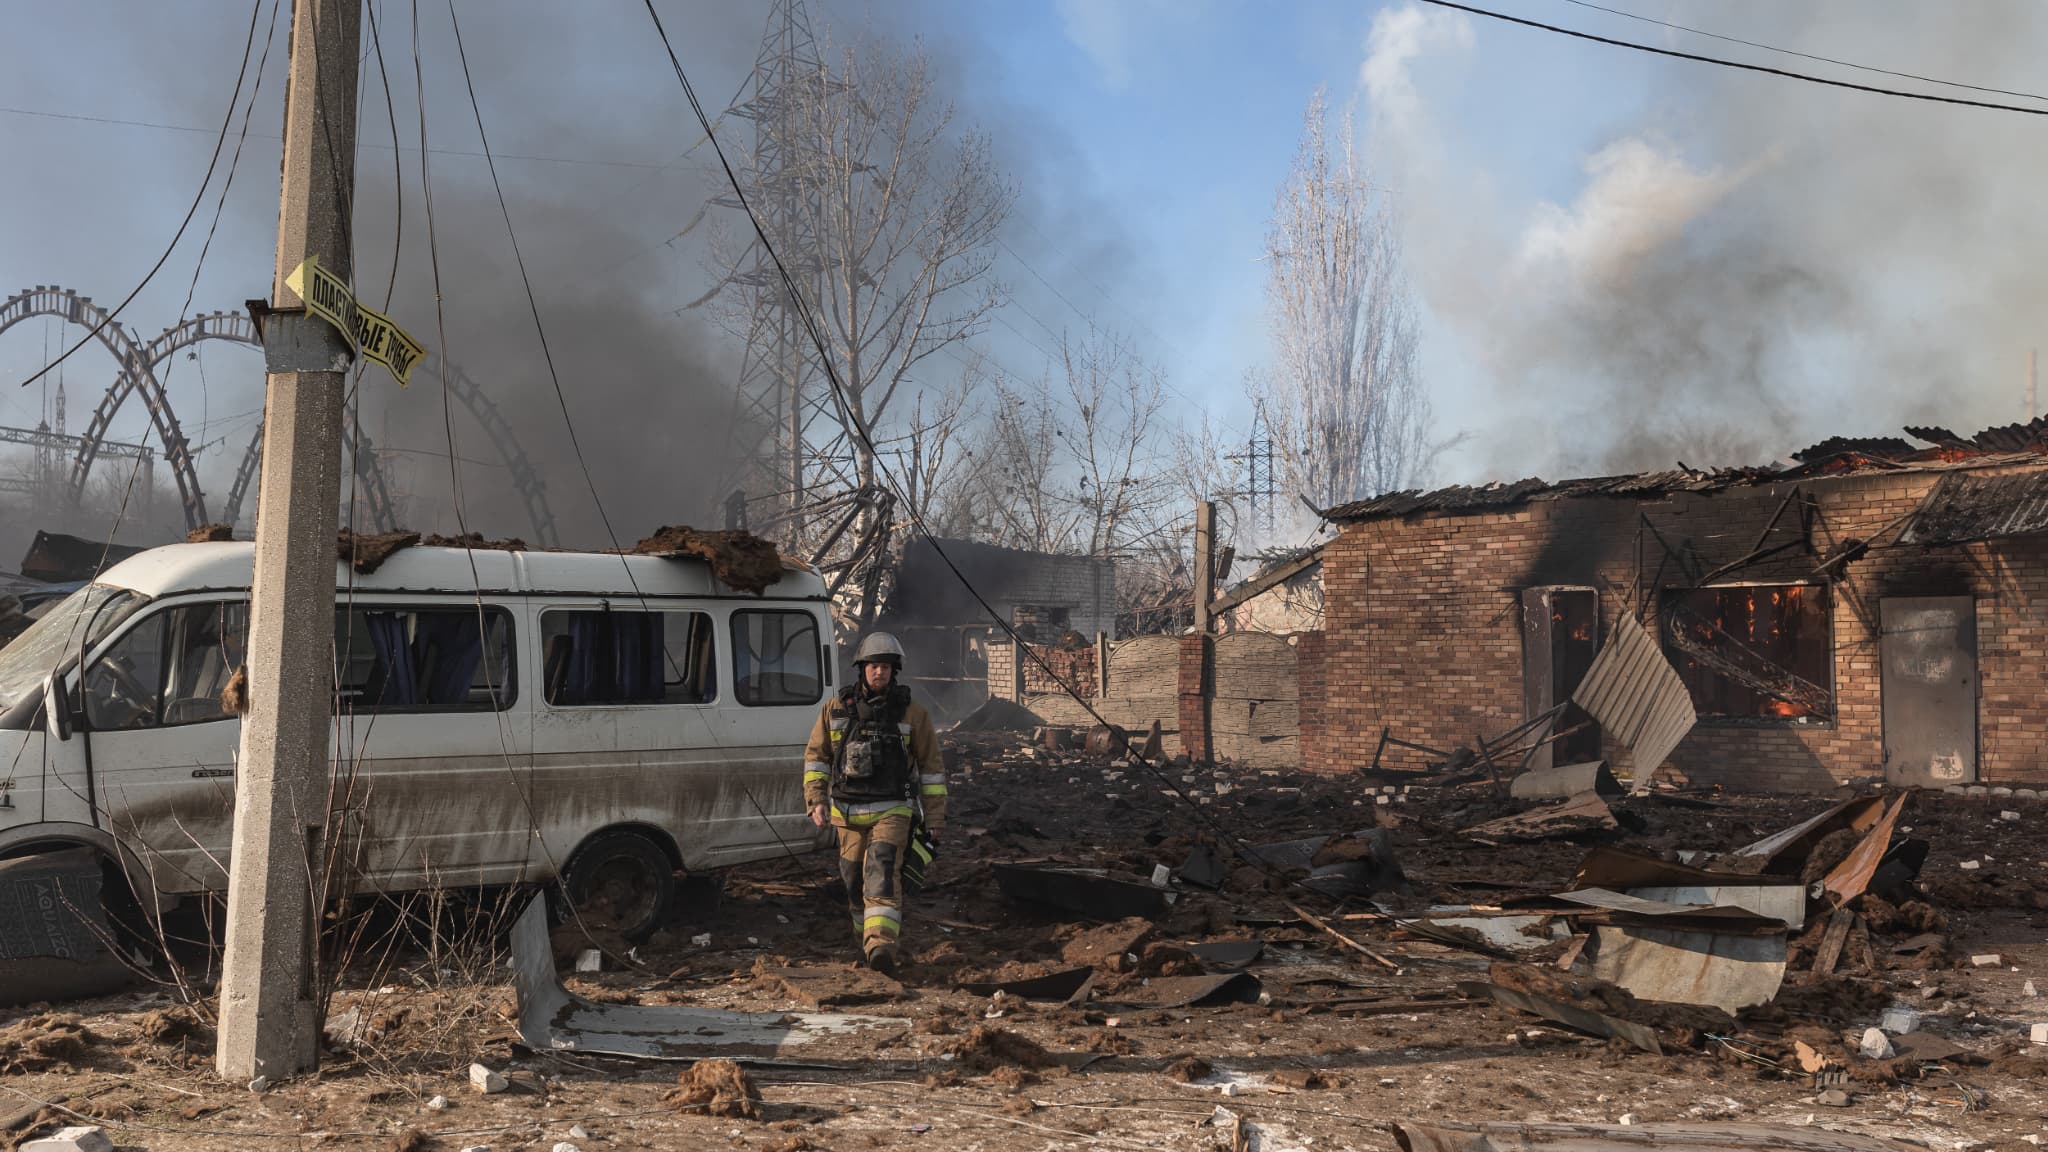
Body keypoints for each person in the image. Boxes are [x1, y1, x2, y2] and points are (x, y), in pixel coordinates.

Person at [801, 631, 946, 975]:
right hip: (846, 812)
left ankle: (881, 946)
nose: (879, 672)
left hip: (892, 810)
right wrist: (816, 799)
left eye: (885, 666)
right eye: (873, 666)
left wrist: (935, 818)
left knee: (881, 872)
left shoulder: (913, 714)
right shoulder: (835, 710)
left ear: (894, 671)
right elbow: (817, 758)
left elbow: (931, 770)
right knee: (853, 880)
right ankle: (864, 938)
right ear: (862, 669)